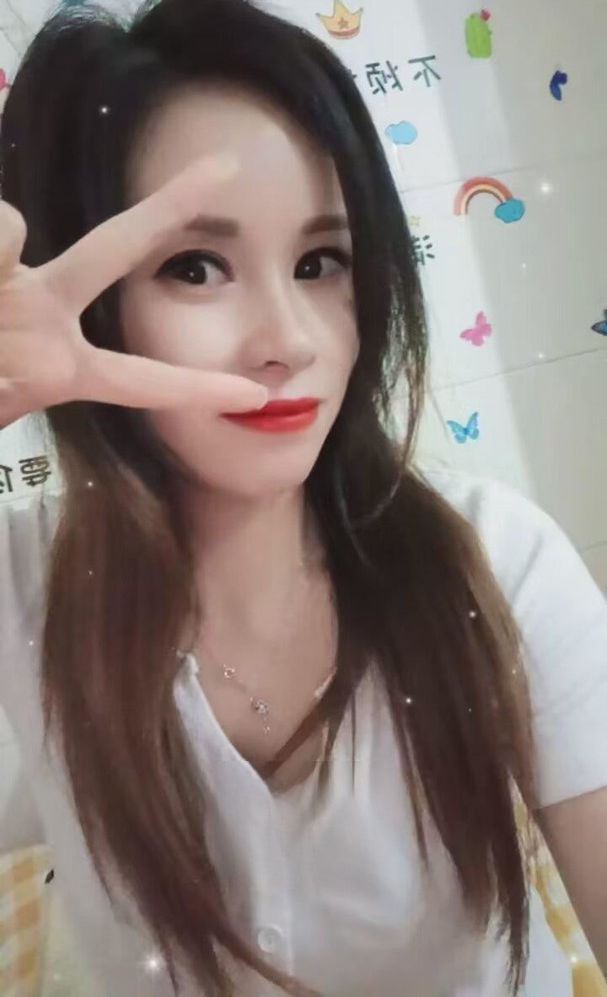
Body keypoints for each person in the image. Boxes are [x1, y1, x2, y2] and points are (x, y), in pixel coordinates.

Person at [0, 0, 606, 994]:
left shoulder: (499, 563)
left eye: (320, 261)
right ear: (92, 309)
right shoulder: (23, 584)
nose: (289, 337)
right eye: (196, 267)